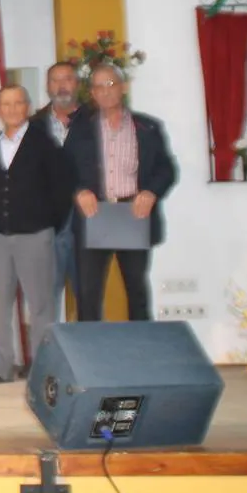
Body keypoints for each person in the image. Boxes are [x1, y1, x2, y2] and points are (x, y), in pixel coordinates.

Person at [64, 64, 177, 321]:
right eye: (98, 87)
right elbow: (63, 169)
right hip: (95, 216)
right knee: (89, 294)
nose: (105, 92)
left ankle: (141, 354)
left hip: (132, 214)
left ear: (123, 88)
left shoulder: (147, 127)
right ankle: (90, 356)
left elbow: (167, 169)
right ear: (92, 93)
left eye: (111, 85)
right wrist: (79, 191)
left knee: (136, 290)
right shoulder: (80, 129)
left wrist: (150, 192)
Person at [0, 85, 72, 385]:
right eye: (6, 103)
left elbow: (61, 190)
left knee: (41, 304)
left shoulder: (45, 143)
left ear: (27, 106)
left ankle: (43, 367)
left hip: (35, 235)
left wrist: (47, 225)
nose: (13, 108)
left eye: (18, 102)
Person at [34, 62, 90, 322]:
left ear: (77, 83)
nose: (62, 85)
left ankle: (90, 358)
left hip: (88, 221)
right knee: (47, 296)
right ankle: (49, 359)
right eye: (55, 80)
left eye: (67, 78)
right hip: (48, 223)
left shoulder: (95, 120)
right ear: (47, 86)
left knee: (89, 295)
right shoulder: (33, 125)